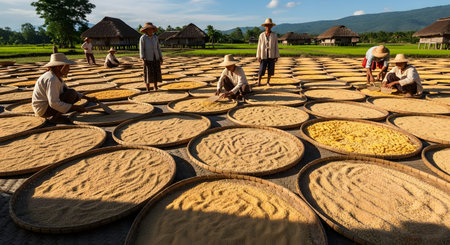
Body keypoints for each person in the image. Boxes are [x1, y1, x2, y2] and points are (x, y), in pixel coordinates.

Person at [32, 53, 97, 123]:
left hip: (47, 106)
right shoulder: (52, 79)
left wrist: (88, 98)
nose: (69, 69)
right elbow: (54, 103)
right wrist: (75, 107)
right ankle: (55, 118)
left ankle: (58, 115)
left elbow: (68, 90)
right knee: (70, 94)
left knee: (72, 93)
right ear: (59, 67)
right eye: (67, 66)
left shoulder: (56, 76)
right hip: (43, 110)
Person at [139, 22, 163, 91]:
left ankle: (155, 87)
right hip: (148, 58)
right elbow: (141, 49)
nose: (150, 31)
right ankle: (148, 88)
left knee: (156, 72)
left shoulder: (155, 37)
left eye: (151, 29)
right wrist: (143, 60)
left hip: (156, 57)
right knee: (148, 73)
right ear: (146, 30)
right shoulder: (143, 38)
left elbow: (158, 48)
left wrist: (160, 57)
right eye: (149, 29)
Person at [256, 18, 280, 86]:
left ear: (271, 26)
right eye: (267, 26)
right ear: (265, 26)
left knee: (270, 69)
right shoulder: (261, 35)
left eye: (269, 25)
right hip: (263, 55)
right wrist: (258, 56)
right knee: (261, 69)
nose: (268, 27)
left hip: (271, 55)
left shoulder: (274, 35)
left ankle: (268, 82)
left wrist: (276, 56)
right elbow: (259, 46)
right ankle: (259, 82)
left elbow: (276, 46)